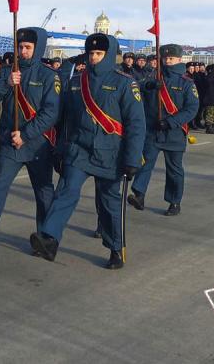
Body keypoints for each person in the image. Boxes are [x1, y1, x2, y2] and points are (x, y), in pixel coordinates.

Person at [30, 33, 145, 269]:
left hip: (110, 154)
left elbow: (136, 124)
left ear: (109, 55)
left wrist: (132, 159)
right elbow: (67, 121)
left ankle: (115, 247)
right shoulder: (76, 81)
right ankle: (49, 238)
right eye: (91, 53)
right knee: (66, 191)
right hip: (79, 150)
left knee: (108, 204)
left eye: (99, 54)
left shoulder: (125, 82)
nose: (93, 58)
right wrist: (61, 151)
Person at [0, 28, 60, 256]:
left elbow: (51, 113)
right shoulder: (9, 71)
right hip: (10, 142)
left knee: (43, 192)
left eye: (27, 48)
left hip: (37, 144)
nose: (23, 51)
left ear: (37, 49)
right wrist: (6, 83)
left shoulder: (49, 76)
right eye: (20, 47)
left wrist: (26, 134)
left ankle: (46, 239)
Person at [127, 44, 199, 216]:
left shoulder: (187, 83)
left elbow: (191, 108)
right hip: (153, 131)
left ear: (179, 60)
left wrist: (171, 122)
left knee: (174, 170)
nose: (168, 61)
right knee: (145, 164)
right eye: (165, 58)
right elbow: (136, 88)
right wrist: (150, 86)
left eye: (171, 58)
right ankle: (139, 194)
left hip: (174, 133)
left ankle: (174, 201)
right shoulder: (153, 77)